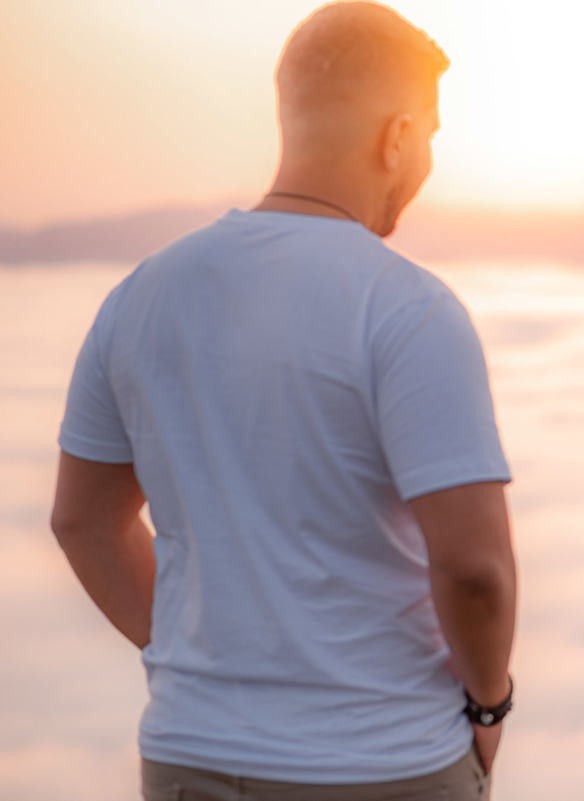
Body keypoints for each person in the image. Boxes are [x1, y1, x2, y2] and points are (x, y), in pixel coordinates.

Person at [50, 3, 517, 800]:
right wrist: (488, 702)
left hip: (187, 757)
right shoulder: (407, 309)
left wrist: (200, 665)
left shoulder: (144, 294)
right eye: (432, 136)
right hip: (380, 764)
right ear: (397, 135)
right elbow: (474, 570)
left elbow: (83, 520)